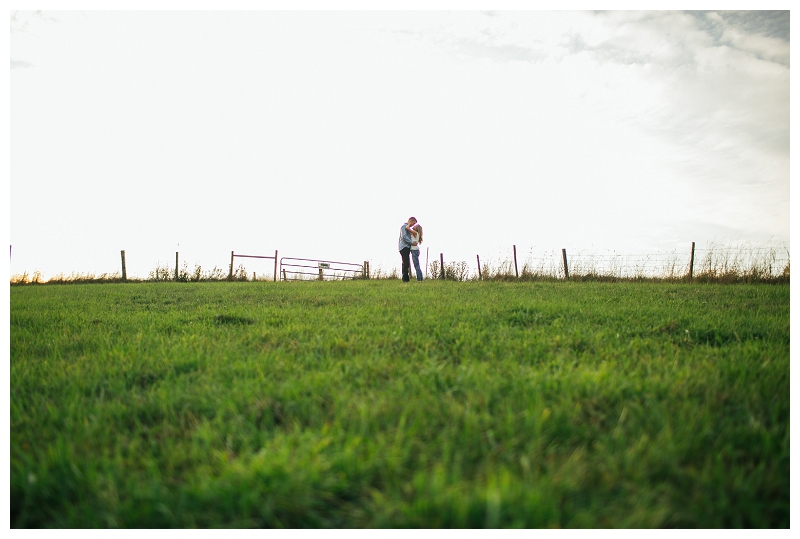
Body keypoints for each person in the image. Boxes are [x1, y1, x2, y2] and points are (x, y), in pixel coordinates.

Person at [398, 217, 417, 282]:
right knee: (406, 263)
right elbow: (404, 236)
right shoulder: (404, 227)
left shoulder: (407, 228)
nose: (413, 225)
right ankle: (405, 279)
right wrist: (411, 243)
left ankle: (405, 278)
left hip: (406, 247)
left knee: (406, 263)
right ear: (410, 221)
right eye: (413, 223)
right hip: (404, 247)